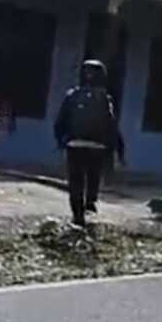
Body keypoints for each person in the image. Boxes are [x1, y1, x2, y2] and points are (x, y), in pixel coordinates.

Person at [53, 60, 125, 226]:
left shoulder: (72, 95)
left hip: (75, 144)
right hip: (97, 146)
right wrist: (119, 150)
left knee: (76, 180)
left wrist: (61, 141)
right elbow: (112, 126)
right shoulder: (105, 99)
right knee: (93, 175)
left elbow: (60, 122)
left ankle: (77, 216)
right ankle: (90, 202)